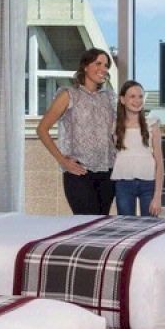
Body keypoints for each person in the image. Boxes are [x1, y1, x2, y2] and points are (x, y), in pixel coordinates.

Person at [37, 48, 117, 215]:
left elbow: (117, 131)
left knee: (101, 224)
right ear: (86, 66)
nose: (103, 69)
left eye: (106, 65)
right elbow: (42, 129)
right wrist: (62, 161)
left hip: (107, 172)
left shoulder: (109, 97)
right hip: (79, 172)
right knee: (87, 224)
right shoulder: (69, 94)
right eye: (98, 63)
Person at [111, 80, 163, 217]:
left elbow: (159, 163)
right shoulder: (114, 126)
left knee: (149, 227)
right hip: (123, 185)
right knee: (126, 226)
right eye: (132, 96)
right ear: (122, 99)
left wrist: (157, 197)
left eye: (140, 96)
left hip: (148, 184)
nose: (137, 100)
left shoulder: (152, 124)